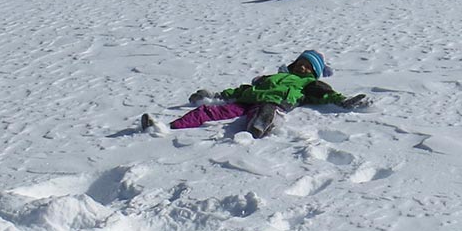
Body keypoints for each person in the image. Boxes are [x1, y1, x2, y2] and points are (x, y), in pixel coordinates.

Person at [141, 49, 370, 138]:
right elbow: (242, 89)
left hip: (275, 102)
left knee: (267, 110)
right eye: (300, 63)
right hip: (248, 99)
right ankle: (166, 127)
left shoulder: (308, 84)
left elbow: (324, 94)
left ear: (313, 73)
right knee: (209, 112)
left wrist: (343, 101)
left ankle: (258, 128)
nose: (302, 68)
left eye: (307, 67)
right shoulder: (269, 77)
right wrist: (213, 95)